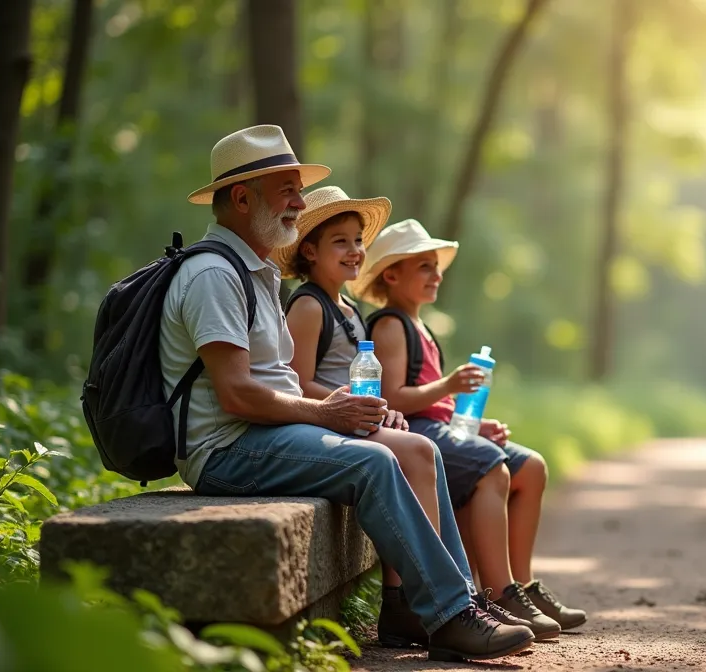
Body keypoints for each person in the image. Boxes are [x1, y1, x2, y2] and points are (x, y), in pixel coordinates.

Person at [162, 125, 532, 662]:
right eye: (287, 189)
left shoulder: (257, 274)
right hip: (226, 448)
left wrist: (345, 414)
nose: (298, 202)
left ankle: (427, 604)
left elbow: (274, 384)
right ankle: (452, 615)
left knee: (418, 449)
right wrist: (328, 412)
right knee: (374, 463)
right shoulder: (214, 276)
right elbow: (237, 395)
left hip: (266, 431)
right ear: (242, 198)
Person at [273, 185, 532, 647]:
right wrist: (352, 405)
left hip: (355, 419)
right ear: (308, 251)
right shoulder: (309, 305)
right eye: (340, 242)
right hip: (323, 424)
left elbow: (363, 381)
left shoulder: (348, 308)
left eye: (357, 240)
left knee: (420, 452)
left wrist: (380, 408)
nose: (354, 251)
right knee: (418, 452)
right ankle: (433, 604)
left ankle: (419, 601)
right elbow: (295, 384)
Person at [350, 219, 588, 641]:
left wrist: (475, 425)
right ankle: (498, 592)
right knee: (491, 467)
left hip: (439, 426)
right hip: (415, 430)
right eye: (424, 266)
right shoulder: (389, 325)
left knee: (531, 467)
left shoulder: (421, 327)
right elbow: (393, 398)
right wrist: (450, 384)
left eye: (437, 267)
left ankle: (523, 585)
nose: (436, 275)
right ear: (391, 274)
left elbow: (435, 402)